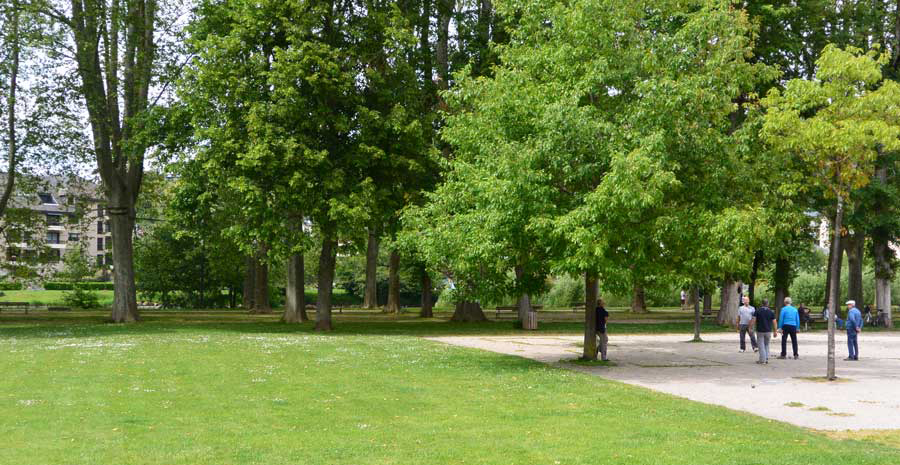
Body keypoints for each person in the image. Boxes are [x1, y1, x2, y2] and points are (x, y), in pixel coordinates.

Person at [754, 298, 776, 364]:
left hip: (760, 331)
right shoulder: (771, 312)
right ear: (768, 304)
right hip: (768, 331)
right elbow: (774, 322)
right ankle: (766, 358)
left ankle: (762, 360)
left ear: (762, 304)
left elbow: (753, 320)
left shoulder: (758, 311)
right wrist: (775, 331)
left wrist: (751, 327)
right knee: (766, 345)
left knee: (761, 346)